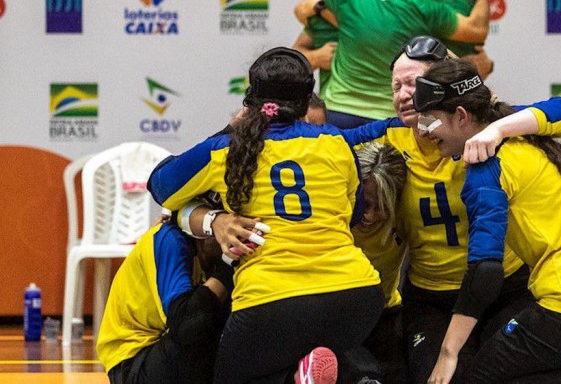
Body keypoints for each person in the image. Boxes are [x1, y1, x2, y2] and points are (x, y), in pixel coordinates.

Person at [339, 36, 561, 384]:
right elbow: (314, 142)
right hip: (432, 300)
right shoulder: (388, 135)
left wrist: (499, 129)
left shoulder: (481, 127)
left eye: (412, 83)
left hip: (504, 289)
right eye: (395, 86)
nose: (403, 94)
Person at [147, 47, 384, 384]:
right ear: (306, 101)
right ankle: (348, 377)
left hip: (272, 298)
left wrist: (229, 130)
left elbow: (160, 186)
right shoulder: (336, 142)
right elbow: (354, 212)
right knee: (314, 367)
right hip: (356, 294)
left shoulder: (228, 149)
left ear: (251, 100)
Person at [412, 59, 561, 384]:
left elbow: (485, 271)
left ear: (461, 116)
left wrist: (448, 354)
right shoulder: (522, 132)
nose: (420, 130)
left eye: (428, 120)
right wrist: (500, 128)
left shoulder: (487, 167)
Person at [295, 0, 490, 128]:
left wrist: (318, 3)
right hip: (388, 117)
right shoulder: (423, 9)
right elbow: (476, 30)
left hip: (338, 111)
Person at [96, 219, 234, 383]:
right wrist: (229, 267)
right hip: (133, 363)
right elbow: (186, 325)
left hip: (161, 351)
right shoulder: (169, 238)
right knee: (200, 326)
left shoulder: (202, 251)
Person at [339, 142, 409, 384]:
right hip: (334, 315)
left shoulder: (407, 212)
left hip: (386, 312)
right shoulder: (334, 209)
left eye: (382, 208)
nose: (369, 216)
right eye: (364, 205)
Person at [292, 0, 371, 96]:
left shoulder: (321, 13)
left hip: (378, 107)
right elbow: (293, 59)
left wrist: (320, 8)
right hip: (334, 106)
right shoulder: (319, 19)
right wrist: (316, 57)